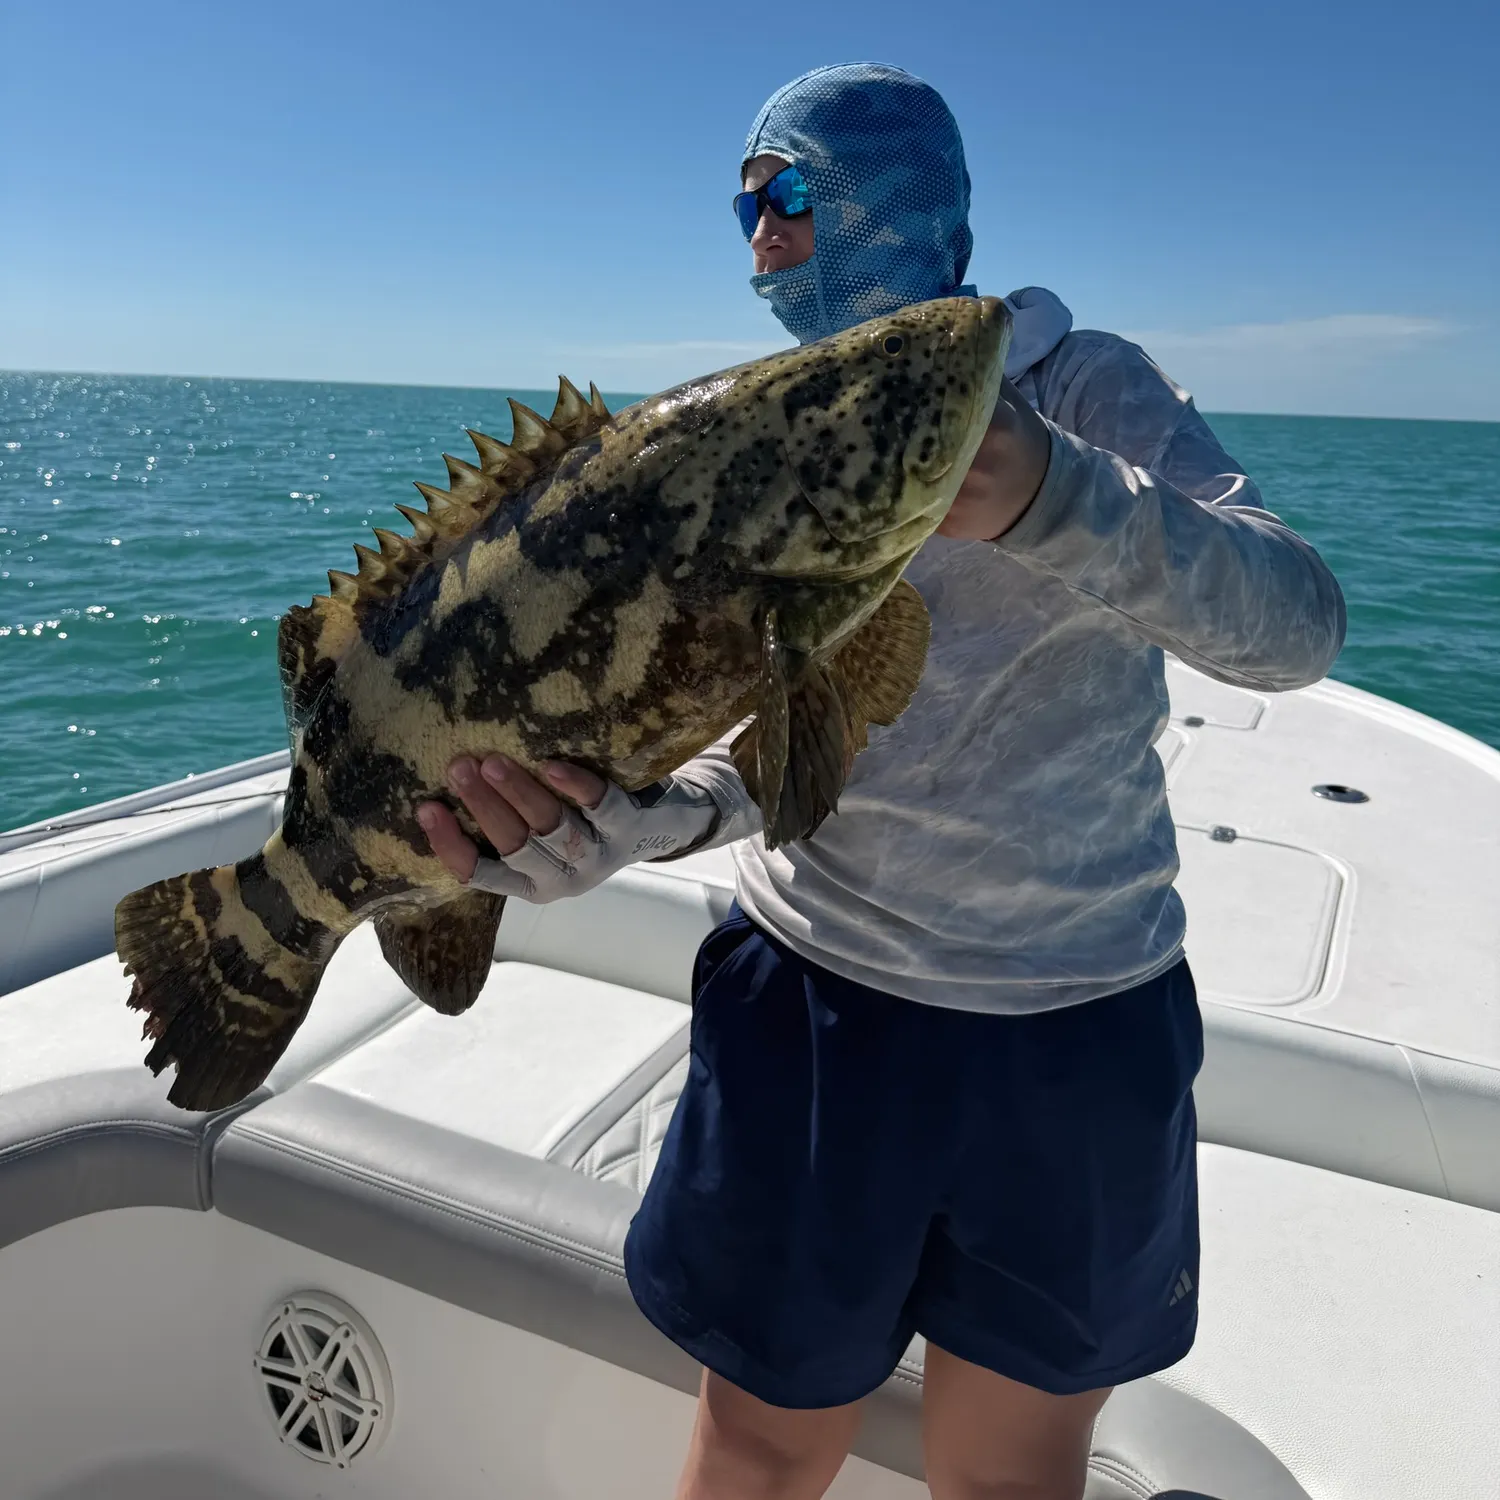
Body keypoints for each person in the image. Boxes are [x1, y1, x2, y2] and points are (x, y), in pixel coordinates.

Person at [415, 62, 1345, 1500]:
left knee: (1011, 1472)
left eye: (786, 191)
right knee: (756, 1449)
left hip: (1076, 1028)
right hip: (814, 1004)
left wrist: (1057, 496)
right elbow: (774, 730)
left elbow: (1296, 625)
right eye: (740, 206)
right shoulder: (751, 425)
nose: (759, 236)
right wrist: (647, 821)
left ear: (888, 189)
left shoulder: (1082, 386)